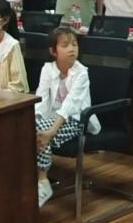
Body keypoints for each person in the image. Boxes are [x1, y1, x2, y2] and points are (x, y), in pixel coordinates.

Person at [34, 28, 99, 208]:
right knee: (29, 127)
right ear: (53, 51)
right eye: (65, 45)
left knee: (40, 132)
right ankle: (39, 181)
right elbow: (41, 99)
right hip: (50, 118)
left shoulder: (81, 72)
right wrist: (37, 120)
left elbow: (70, 106)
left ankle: (42, 179)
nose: (72, 49)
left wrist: (50, 131)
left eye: (74, 44)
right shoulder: (47, 69)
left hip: (76, 120)